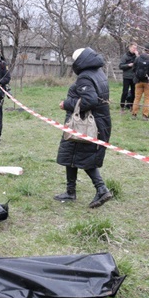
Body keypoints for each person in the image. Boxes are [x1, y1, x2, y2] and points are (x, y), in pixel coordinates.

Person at [55, 47, 113, 209]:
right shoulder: (98, 73)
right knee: (72, 155)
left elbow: (90, 100)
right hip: (98, 122)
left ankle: (101, 189)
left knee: (85, 158)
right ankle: (70, 191)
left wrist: (66, 104)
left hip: (85, 124)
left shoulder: (85, 77)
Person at [131, 43, 149, 121]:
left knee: (137, 98)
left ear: (144, 49)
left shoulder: (138, 58)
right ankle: (145, 116)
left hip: (138, 81)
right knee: (147, 99)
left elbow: (133, 68)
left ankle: (134, 114)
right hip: (148, 82)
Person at [118, 42, 138, 113]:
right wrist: (128, 65)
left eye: (135, 48)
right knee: (125, 92)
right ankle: (122, 107)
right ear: (129, 48)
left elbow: (140, 64)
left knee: (134, 92)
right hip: (126, 77)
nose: (134, 49)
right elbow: (120, 66)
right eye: (133, 48)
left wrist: (137, 55)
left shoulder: (137, 56)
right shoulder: (125, 56)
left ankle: (131, 106)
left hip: (134, 77)